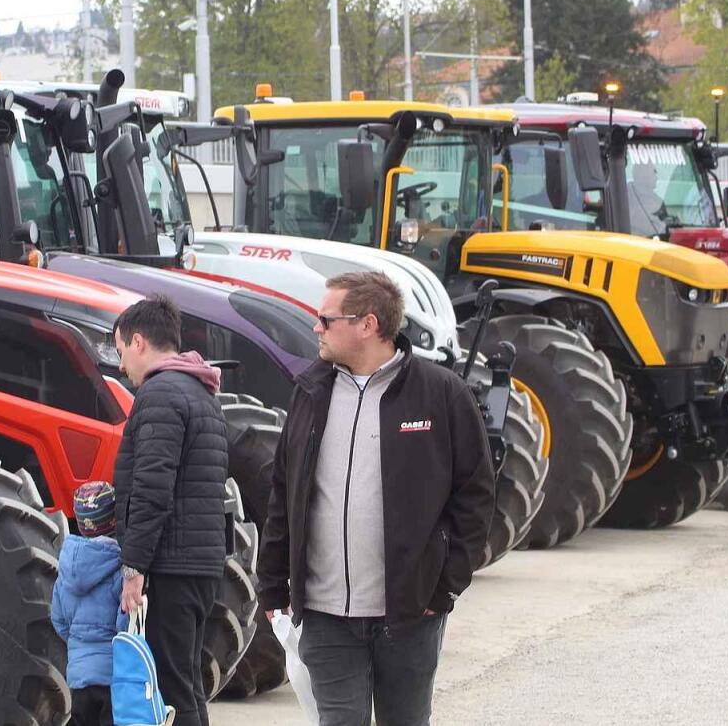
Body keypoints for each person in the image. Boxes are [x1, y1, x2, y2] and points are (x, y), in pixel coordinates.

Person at [256, 271, 494, 726]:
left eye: (326, 319)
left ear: (367, 324)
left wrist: (444, 585)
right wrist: (272, 580)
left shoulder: (440, 394)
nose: (316, 328)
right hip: (325, 614)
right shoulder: (311, 391)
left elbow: (476, 494)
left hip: (408, 612)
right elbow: (285, 489)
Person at [113, 295, 229, 726]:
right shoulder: (201, 393)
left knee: (168, 688)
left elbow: (152, 489)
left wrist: (134, 568)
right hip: (199, 565)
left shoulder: (160, 394)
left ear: (139, 342)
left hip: (170, 566)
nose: (122, 366)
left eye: (121, 351)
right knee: (187, 686)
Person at [51, 481, 129, 726]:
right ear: (114, 520)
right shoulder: (120, 567)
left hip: (78, 675)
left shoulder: (65, 569)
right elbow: (125, 623)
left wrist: (79, 643)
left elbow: (59, 621)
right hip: (112, 676)